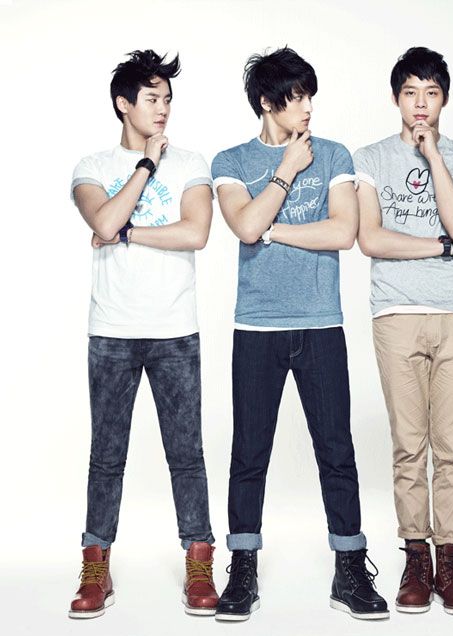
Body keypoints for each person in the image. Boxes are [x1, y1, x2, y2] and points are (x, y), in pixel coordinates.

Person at [211, 46, 388, 622]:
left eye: (310, 95)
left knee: (336, 450)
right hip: (256, 327)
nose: (308, 106)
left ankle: (350, 569)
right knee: (249, 452)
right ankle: (242, 568)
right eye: (296, 97)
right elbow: (243, 224)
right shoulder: (231, 160)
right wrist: (286, 170)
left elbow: (342, 232)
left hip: (320, 324)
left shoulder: (334, 154)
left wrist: (274, 230)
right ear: (267, 102)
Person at [68, 49, 217, 619]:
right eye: (152, 98)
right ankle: (95, 566)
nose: (163, 108)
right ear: (122, 104)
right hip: (111, 331)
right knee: (106, 457)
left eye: (168, 99)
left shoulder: (193, 162)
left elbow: (196, 232)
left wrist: (126, 231)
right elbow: (101, 219)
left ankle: (199, 562)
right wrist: (146, 167)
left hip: (175, 329)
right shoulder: (91, 166)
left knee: (187, 455)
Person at [353, 46, 453, 616]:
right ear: (395, 98)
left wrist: (432, 154)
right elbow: (372, 240)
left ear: (444, 99)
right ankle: (415, 556)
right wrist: (447, 248)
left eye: (431, 93)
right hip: (396, 314)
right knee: (409, 444)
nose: (420, 104)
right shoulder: (369, 158)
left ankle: (449, 558)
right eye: (410, 93)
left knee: (450, 446)